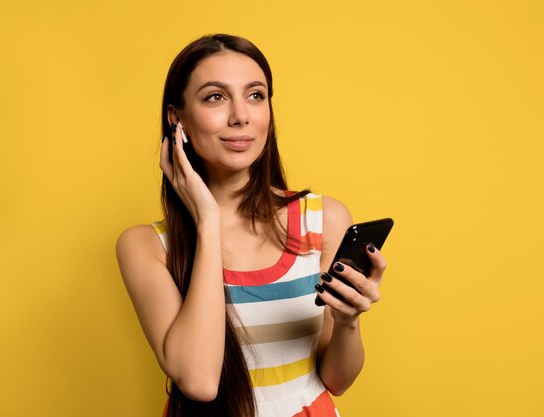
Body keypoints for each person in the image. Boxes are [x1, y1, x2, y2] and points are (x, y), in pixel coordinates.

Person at [116, 34, 387, 417]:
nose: (241, 115)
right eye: (215, 96)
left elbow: (336, 380)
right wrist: (208, 221)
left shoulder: (324, 219)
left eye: (255, 95)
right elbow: (199, 382)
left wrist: (347, 322)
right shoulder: (145, 246)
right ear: (177, 118)